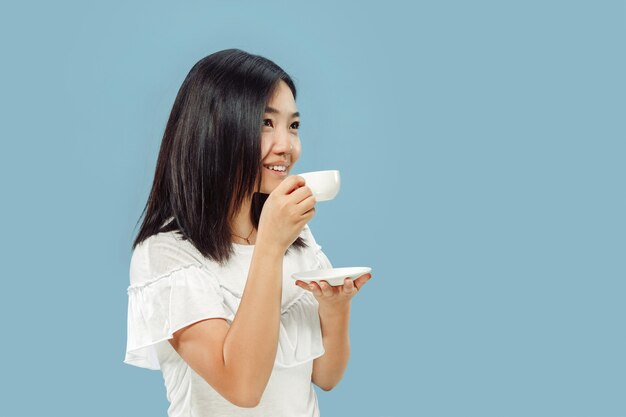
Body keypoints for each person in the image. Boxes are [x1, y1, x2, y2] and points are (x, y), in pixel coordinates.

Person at [123, 48, 372, 417]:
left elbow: (326, 375)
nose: (287, 146)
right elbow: (242, 386)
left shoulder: (295, 240)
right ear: (215, 129)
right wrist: (270, 245)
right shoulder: (167, 255)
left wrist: (336, 309)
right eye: (265, 123)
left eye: (293, 126)